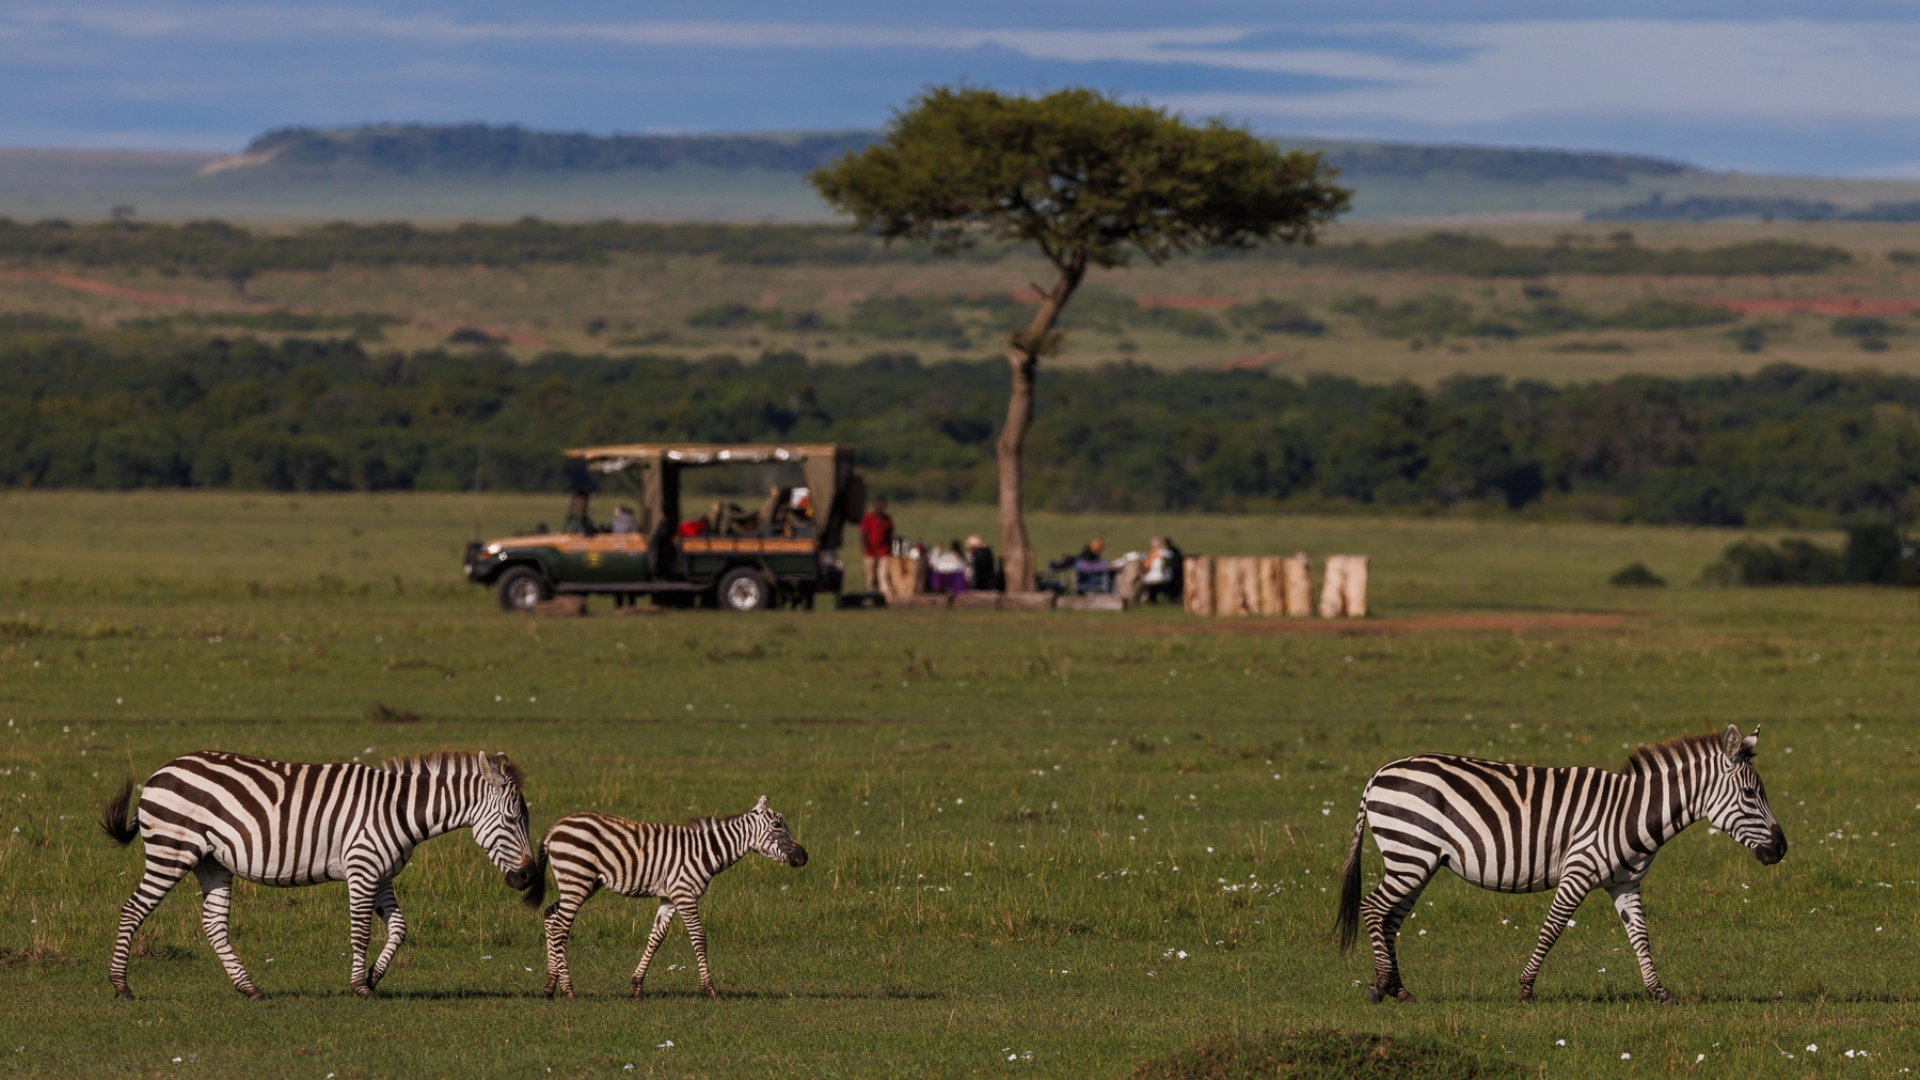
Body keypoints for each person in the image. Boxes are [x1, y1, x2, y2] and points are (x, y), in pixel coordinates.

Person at [859, 497, 894, 593]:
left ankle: (885, 595)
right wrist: (864, 547)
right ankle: (871, 594)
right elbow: (863, 533)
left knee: (883, 575)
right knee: (870, 576)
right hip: (870, 551)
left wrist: (890, 549)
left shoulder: (887, 519)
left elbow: (890, 535)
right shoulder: (869, 518)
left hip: (883, 551)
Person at [1144, 536, 1184, 604]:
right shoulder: (1169, 552)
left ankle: (1150, 599)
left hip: (1161, 577)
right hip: (1165, 576)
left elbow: (1148, 565)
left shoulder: (1161, 553)